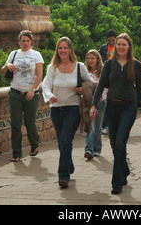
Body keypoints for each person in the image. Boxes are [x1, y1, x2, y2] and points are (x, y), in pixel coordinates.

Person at [90, 33, 141, 195]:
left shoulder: (135, 65)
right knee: (115, 144)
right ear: (115, 46)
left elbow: (140, 89)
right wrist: (94, 105)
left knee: (121, 143)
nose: (121, 47)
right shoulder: (109, 64)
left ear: (129, 47)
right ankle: (125, 170)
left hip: (129, 108)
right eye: (118, 44)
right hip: (112, 107)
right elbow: (101, 85)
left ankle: (117, 183)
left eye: (124, 44)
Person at [42, 37, 92, 189]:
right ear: (57, 50)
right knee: (61, 142)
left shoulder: (79, 66)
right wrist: (50, 96)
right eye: (60, 48)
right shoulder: (52, 68)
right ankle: (69, 165)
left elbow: (91, 83)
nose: (62, 50)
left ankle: (63, 176)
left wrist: (84, 89)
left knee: (65, 140)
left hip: (73, 108)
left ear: (70, 50)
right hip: (56, 109)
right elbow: (45, 85)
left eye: (65, 48)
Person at [1, 30, 43, 162]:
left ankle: (34, 144)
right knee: (15, 123)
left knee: (30, 122)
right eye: (23, 41)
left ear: (31, 42)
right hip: (15, 92)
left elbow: (39, 75)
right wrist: (7, 65)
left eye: (28, 41)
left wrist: (32, 89)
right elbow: (3, 72)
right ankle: (16, 153)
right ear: (19, 41)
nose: (25, 43)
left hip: (31, 94)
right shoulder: (14, 54)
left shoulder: (36, 55)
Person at [84, 49, 106, 159]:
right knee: (90, 126)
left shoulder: (102, 72)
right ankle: (88, 149)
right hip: (88, 102)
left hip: (101, 102)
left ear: (97, 59)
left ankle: (97, 149)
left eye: (92, 58)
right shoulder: (85, 72)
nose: (90, 60)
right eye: (88, 58)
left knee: (98, 127)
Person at [98, 29, 116, 135]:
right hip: (106, 77)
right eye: (109, 40)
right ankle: (105, 125)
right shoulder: (103, 48)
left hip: (116, 77)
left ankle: (112, 125)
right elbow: (99, 61)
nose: (111, 42)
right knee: (104, 101)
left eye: (113, 40)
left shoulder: (119, 47)